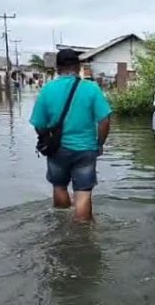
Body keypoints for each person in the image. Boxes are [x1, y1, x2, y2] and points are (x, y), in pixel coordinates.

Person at [29, 49, 112, 222]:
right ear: (78, 66)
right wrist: (99, 143)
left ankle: (61, 223)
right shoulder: (91, 88)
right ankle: (82, 231)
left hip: (57, 150)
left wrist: (49, 138)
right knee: (83, 193)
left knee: (59, 187)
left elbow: (38, 124)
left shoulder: (47, 89)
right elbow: (104, 120)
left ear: (58, 68)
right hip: (86, 149)